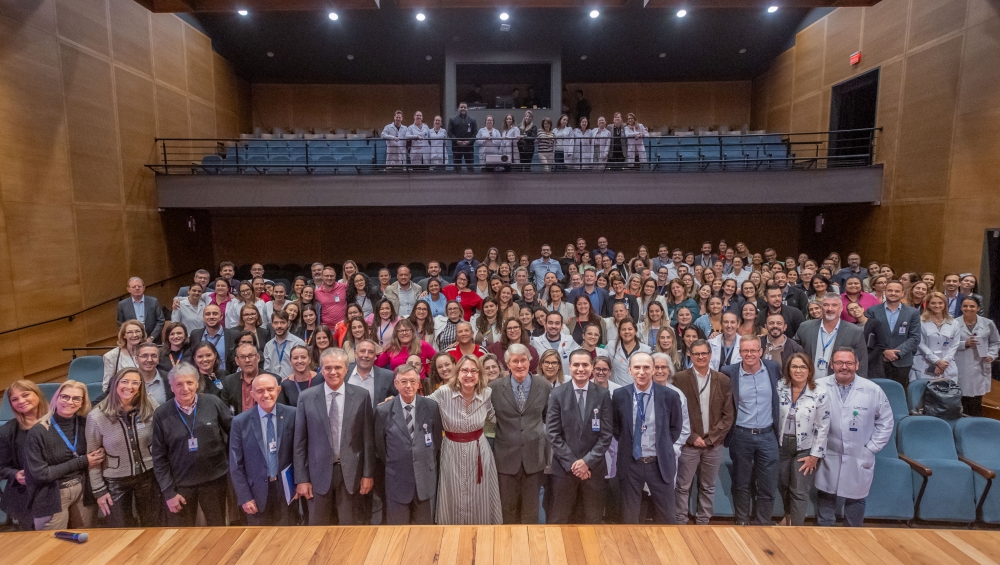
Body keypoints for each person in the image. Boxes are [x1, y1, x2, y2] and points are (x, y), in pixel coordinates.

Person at [294, 348, 375, 525]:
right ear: (321, 370)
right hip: (317, 476)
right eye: (328, 367)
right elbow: (299, 442)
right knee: (317, 530)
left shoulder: (362, 396)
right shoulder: (306, 397)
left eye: (338, 367)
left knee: (349, 530)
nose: (333, 372)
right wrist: (302, 478)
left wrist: (368, 474)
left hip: (351, 475)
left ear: (347, 369)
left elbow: (368, 440)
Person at [814, 348, 893, 527]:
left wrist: (871, 448)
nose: (844, 367)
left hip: (859, 454)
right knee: (826, 498)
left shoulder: (872, 390)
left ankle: (853, 539)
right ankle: (824, 538)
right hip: (829, 453)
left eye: (849, 363)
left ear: (857, 365)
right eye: (840, 363)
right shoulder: (819, 386)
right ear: (831, 365)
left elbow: (886, 422)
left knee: (855, 500)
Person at [151, 363, 232, 526]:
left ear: (197, 383)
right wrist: (168, 493)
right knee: (182, 537)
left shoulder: (213, 402)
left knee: (218, 530)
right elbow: (159, 457)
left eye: (189, 383)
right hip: (180, 486)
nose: (185, 388)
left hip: (214, 481)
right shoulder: (161, 414)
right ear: (171, 387)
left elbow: (234, 433)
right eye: (179, 384)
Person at [428, 355, 502, 524]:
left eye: (473, 371)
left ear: (479, 374)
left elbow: (495, 416)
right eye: (465, 370)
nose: (469, 375)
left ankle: (482, 537)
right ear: (457, 372)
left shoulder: (486, 393)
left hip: (479, 451)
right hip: (451, 450)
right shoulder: (444, 392)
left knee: (480, 497)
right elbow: (422, 405)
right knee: (453, 493)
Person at [612, 352, 683, 524]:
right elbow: (616, 427)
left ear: (653, 370)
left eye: (646, 367)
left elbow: (675, 428)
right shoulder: (620, 395)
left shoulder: (670, 396)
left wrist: (662, 446)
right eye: (637, 367)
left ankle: (666, 551)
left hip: (659, 464)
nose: (641, 372)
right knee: (629, 518)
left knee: (667, 519)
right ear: (630, 370)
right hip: (631, 464)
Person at [86, 368, 159, 528]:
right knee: (120, 529)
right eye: (124, 381)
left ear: (141, 386)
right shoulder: (96, 416)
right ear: (115, 384)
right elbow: (93, 458)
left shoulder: (150, 405)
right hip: (115, 481)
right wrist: (99, 490)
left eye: (135, 382)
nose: (130, 386)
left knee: (152, 524)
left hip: (148, 475)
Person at [720, 334, 781, 525]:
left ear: (760, 352)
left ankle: (762, 522)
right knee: (741, 483)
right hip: (741, 435)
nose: (749, 354)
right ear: (739, 352)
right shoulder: (729, 371)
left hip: (768, 435)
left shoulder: (773, 368)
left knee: (768, 484)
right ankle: (742, 521)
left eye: (753, 350)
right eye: (745, 350)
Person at [545, 350, 612, 524]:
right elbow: (552, 433)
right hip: (564, 469)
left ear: (591, 367)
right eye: (576, 365)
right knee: (560, 519)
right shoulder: (557, 394)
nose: (580, 369)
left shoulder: (603, 394)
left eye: (585, 365)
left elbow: (606, 435)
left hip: (593, 470)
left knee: (592, 520)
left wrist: (586, 462)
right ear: (569, 367)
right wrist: (574, 464)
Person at [673, 339, 734, 525]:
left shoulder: (723, 380)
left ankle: (703, 522)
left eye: (704, 353)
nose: (700, 357)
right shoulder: (679, 379)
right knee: (682, 486)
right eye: (696, 353)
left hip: (713, 445)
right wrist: (692, 437)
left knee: (708, 486)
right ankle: (680, 521)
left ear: (710, 355)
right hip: (689, 443)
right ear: (690, 355)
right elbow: (675, 413)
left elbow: (728, 415)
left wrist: (711, 439)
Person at [25, 380, 101, 530]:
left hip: (82, 490)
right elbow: (41, 474)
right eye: (64, 397)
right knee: (52, 545)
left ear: (82, 402)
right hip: (52, 494)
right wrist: (83, 461)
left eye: (76, 398)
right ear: (56, 398)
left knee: (85, 540)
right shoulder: (38, 431)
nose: (69, 402)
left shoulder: (85, 424)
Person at [489, 344, 552, 524]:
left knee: (531, 510)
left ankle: (530, 549)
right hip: (505, 458)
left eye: (523, 360)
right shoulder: (493, 388)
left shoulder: (544, 385)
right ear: (507, 363)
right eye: (514, 361)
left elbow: (548, 418)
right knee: (507, 509)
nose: (519, 365)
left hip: (534, 458)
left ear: (529, 361)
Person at [373, 364, 443, 525]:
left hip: (425, 481)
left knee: (424, 534)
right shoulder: (383, 411)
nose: (408, 386)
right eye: (403, 381)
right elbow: (380, 448)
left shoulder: (431, 407)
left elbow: (436, 443)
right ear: (396, 384)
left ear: (419, 383)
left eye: (412, 381)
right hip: (397, 481)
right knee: (397, 535)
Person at [229, 373, 296, 526]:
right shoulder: (240, 422)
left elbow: (299, 453)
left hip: (286, 490)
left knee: (288, 539)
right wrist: (245, 497)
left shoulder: (293, 415)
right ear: (252, 394)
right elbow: (236, 465)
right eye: (260, 391)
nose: (266, 395)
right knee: (259, 542)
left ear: (278, 391)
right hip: (256, 493)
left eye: (270, 389)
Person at [775, 353, 830, 526]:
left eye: (803, 367)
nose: (798, 370)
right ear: (788, 369)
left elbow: (823, 426)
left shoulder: (819, 392)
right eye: (794, 367)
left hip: (806, 448)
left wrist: (815, 455)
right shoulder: (780, 387)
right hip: (781, 445)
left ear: (809, 370)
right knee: (783, 485)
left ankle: (797, 531)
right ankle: (788, 518)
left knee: (799, 490)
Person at [0, 381, 49, 530]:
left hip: (62, 490)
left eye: (25, 395)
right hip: (27, 496)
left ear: (37, 394)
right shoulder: (8, 431)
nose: (21, 401)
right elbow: (2, 466)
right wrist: (15, 474)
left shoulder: (58, 422)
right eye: (14, 399)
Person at [795, 293, 868, 377]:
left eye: (834, 305)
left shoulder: (854, 331)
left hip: (839, 385)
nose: (830, 309)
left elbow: (861, 363)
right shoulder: (805, 327)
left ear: (840, 308)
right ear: (821, 308)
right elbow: (794, 353)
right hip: (809, 383)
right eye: (826, 305)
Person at [865, 280, 921, 388]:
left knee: (898, 394)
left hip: (902, 361)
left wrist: (897, 353)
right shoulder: (872, 311)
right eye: (890, 290)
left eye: (897, 291)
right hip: (878, 360)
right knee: (876, 392)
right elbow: (869, 337)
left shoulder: (913, 312)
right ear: (884, 292)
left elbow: (915, 337)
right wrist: (884, 351)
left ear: (902, 293)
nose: (893, 293)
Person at [955, 297, 999, 416]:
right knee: (960, 400)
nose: (968, 309)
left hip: (980, 365)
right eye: (965, 306)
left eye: (972, 306)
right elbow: (948, 344)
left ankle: (974, 427)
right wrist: (965, 344)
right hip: (961, 365)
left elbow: (995, 342)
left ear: (978, 308)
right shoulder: (954, 323)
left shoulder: (988, 323)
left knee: (976, 402)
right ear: (961, 307)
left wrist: (992, 355)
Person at [910, 292, 961, 382]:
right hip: (924, 364)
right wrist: (936, 361)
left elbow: (955, 344)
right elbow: (920, 343)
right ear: (928, 305)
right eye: (933, 303)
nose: (937, 306)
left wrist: (943, 362)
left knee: (946, 393)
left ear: (945, 305)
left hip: (947, 365)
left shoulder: (954, 323)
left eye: (940, 303)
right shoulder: (920, 321)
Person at [188, 304, 238, 373]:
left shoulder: (233, 335)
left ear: (221, 316)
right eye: (207, 314)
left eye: (215, 314)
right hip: (201, 378)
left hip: (225, 378)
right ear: (203, 317)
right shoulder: (195, 334)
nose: (211, 317)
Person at [117, 277, 165, 343]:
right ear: (128, 289)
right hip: (132, 341)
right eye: (134, 287)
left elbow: (161, 320)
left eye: (139, 286)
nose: (137, 288)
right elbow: (121, 324)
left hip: (153, 341)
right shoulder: (122, 304)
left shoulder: (153, 301)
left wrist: (152, 337)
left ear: (144, 288)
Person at [103, 320, 144, 392]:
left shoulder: (149, 352)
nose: (134, 335)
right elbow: (107, 386)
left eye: (137, 331)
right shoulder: (112, 356)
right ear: (124, 335)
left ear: (142, 333)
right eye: (130, 332)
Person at [262, 310, 306, 379]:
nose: (279, 326)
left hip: (293, 384)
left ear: (288, 323)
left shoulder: (298, 343)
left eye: (282, 322)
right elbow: (267, 370)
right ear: (272, 325)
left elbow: (303, 367)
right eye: (276, 323)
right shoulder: (268, 346)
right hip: (274, 385)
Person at [448, 102, 477, 172]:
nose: (463, 109)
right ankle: (456, 182)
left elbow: (475, 133)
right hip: (457, 147)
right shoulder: (452, 119)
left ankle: (471, 182)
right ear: (458, 109)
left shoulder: (473, 120)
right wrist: (457, 141)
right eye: (461, 107)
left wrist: (469, 142)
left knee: (470, 168)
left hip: (469, 147)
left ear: (467, 109)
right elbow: (450, 132)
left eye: (464, 107)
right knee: (457, 168)